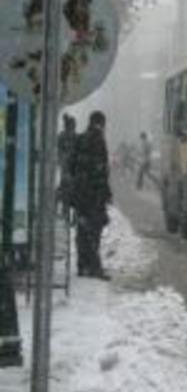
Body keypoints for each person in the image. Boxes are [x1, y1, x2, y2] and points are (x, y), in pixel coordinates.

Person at [71, 111, 112, 280]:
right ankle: (94, 267)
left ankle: (82, 265)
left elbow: (71, 165)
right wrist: (106, 193)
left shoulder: (80, 139)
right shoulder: (98, 140)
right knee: (94, 230)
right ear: (100, 123)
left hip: (80, 194)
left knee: (82, 230)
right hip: (94, 195)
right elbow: (101, 171)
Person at [57, 114, 77, 219]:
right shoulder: (74, 137)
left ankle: (67, 215)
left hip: (68, 170)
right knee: (70, 194)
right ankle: (69, 215)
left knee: (66, 194)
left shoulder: (64, 136)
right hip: (70, 171)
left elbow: (59, 152)